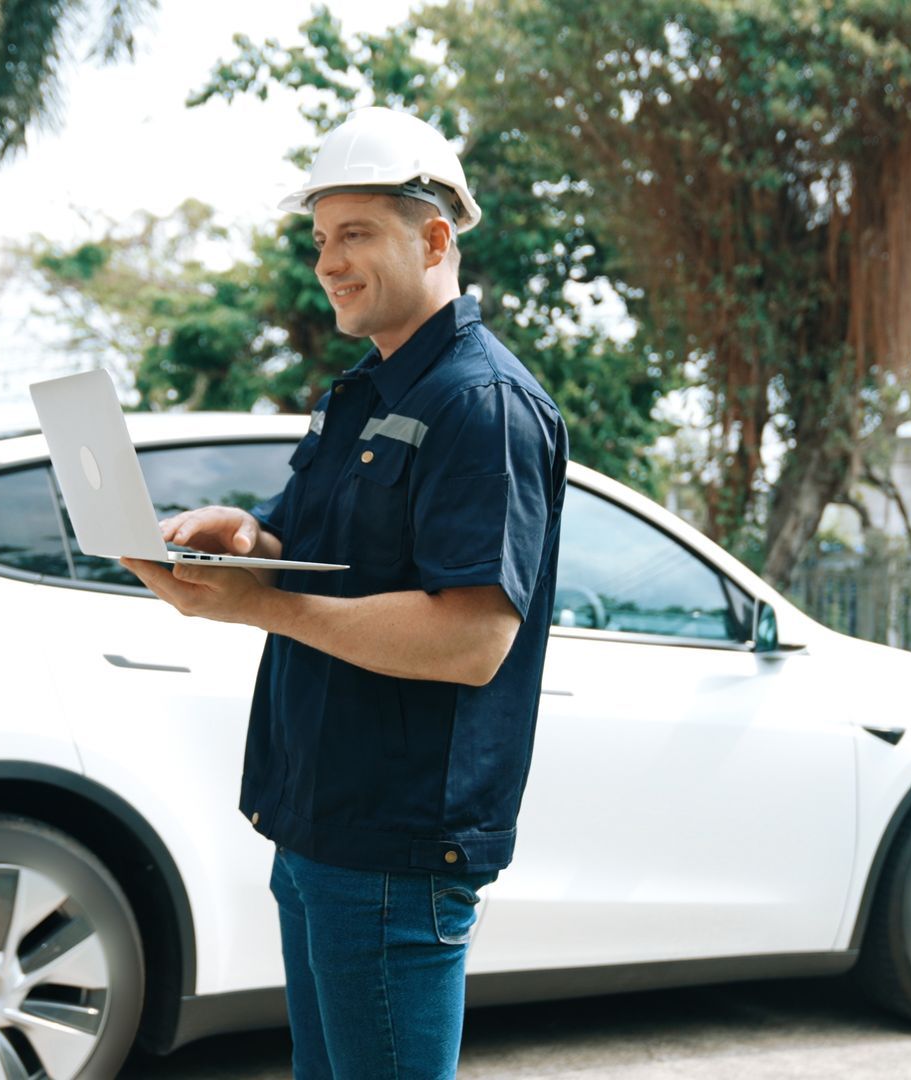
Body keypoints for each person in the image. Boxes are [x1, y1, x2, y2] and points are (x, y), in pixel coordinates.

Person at [121, 106, 567, 1080]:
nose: (328, 262)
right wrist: (241, 540)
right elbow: (303, 547)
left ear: (437, 237)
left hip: (398, 842)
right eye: (322, 238)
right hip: (319, 820)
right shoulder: (360, 393)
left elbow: (471, 639)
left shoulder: (480, 406)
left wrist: (257, 605)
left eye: (356, 233)